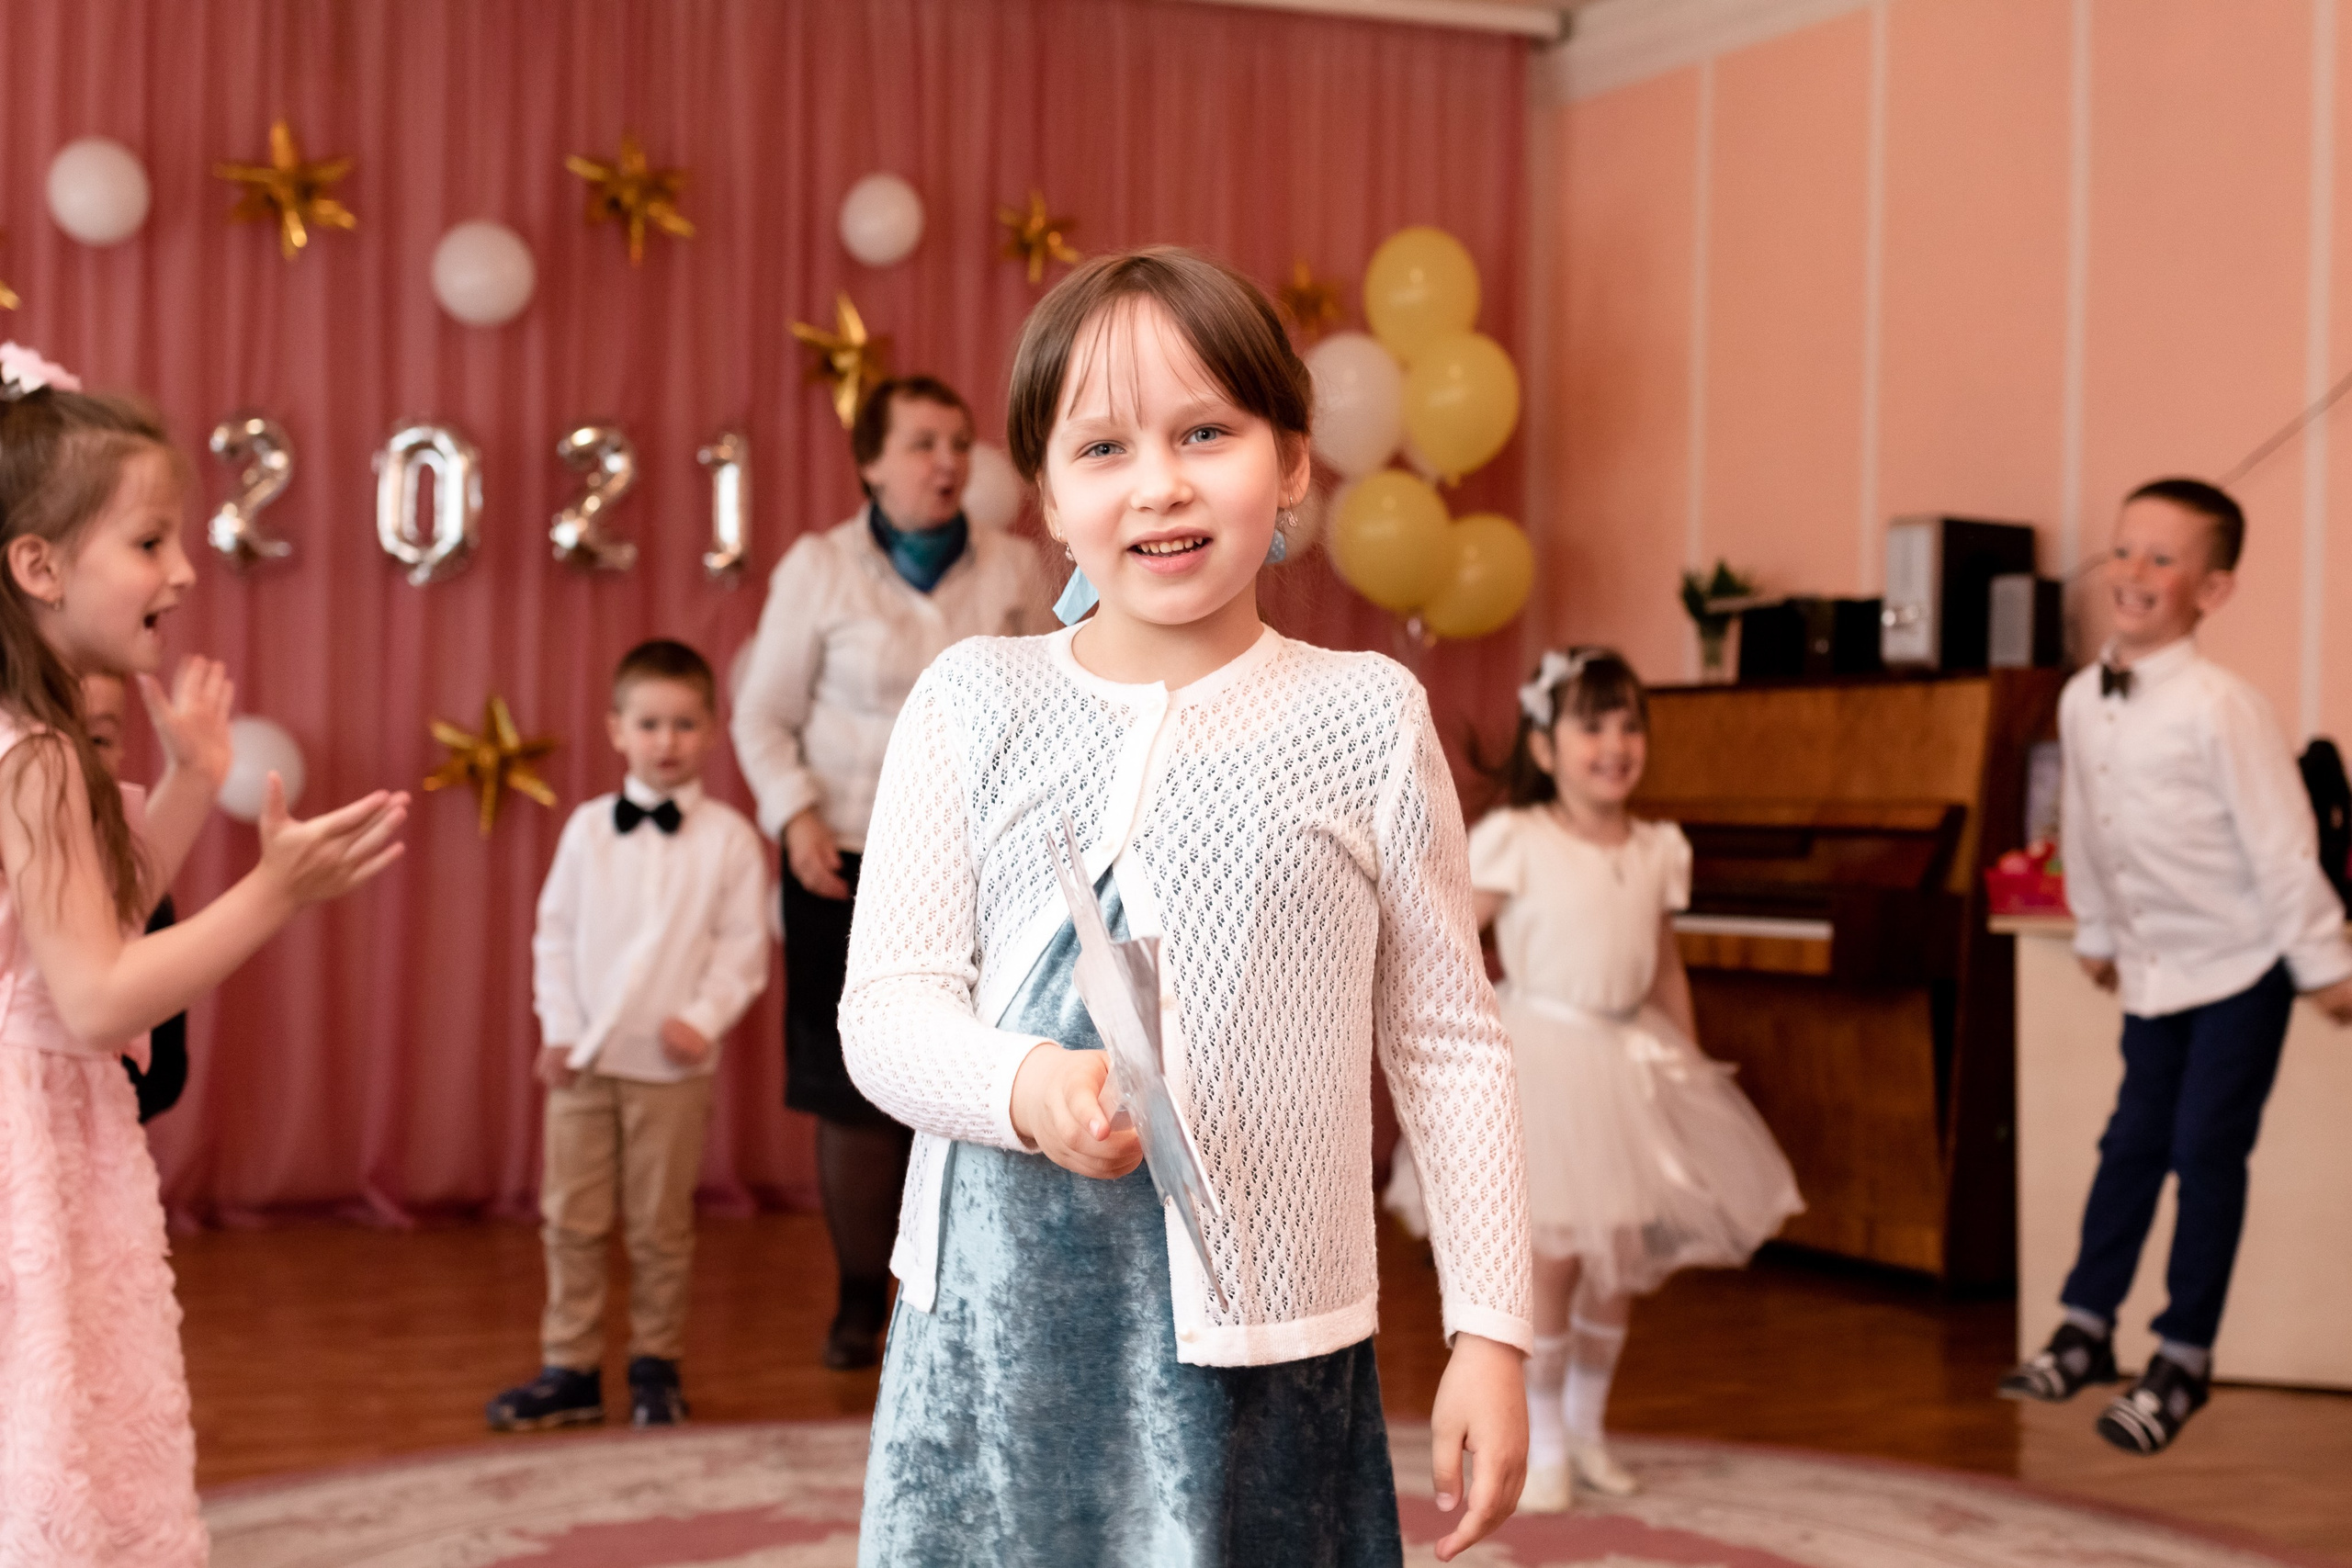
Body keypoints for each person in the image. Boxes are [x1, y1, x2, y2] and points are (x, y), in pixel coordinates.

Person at [840, 249, 1532, 1567]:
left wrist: (1490, 1330)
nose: (1159, 482)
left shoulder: (1366, 717)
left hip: (1269, 1352)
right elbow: (885, 1012)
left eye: (1205, 432)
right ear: (1049, 496)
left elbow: (1449, 1043)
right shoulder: (973, 700)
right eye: (1104, 446)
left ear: (1293, 462)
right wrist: (1030, 1085)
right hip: (995, 1347)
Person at [0, 344, 407, 1566]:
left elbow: (85, 924)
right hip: (28, 1142)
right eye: (149, 541)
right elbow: (92, 995)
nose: (183, 569)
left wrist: (189, 784)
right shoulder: (37, 758)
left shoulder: (29, 739)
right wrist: (275, 890)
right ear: (37, 565)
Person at [2000, 479, 2352, 1453]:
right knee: (2129, 1142)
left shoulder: (2224, 707)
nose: (2134, 571)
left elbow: (2282, 843)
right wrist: (2097, 932)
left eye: (2163, 558)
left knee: (2204, 1150)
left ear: (2214, 589)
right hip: (2157, 967)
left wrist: (2323, 962)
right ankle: (2084, 1325)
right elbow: (2087, 824)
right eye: (2124, 549)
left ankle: (2182, 1354)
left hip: (2242, 965)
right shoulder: (2082, 698)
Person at [732, 375, 1046, 1369]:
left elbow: (1051, 706)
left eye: (958, 442)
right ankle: (860, 1301)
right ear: (870, 463)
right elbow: (762, 715)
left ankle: (951, 1300)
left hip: (986, 869)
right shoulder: (819, 567)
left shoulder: (1016, 567)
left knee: (974, 1078)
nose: (947, 462)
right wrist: (795, 816)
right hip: (844, 860)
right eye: (921, 443)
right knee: (853, 1093)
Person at [1468, 647, 1801, 1512]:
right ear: (1545, 747)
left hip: (1627, 1061)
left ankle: (1588, 1429)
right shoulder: (1518, 840)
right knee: (1553, 1257)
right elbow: (1451, 937)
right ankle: (1540, 1438)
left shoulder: (1658, 848)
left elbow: (1664, 965)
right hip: (1545, 1062)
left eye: (1628, 726)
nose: (1614, 744)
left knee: (1617, 1264)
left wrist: (1687, 1064)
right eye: (1591, 727)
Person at [487, 639, 769, 1432]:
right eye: (649, 724)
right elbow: (554, 934)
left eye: (684, 723)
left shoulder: (731, 840)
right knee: (571, 1218)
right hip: (585, 1063)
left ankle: (655, 1363)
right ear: (617, 729)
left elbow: (743, 950)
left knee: (659, 1226)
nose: (666, 741)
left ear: (712, 730)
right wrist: (560, 1026)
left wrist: (703, 1017)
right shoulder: (587, 831)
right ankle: (570, 1365)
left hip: (671, 1071)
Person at [85, 669, 211, 1122]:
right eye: (48, 733)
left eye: (97, 739)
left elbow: (162, 1076)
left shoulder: (142, 896)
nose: (68, 758)